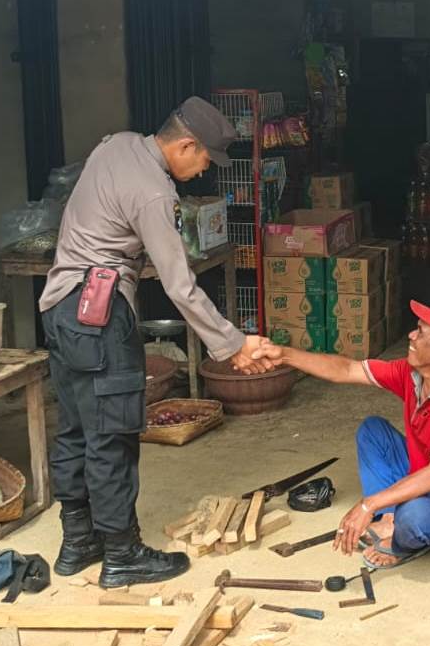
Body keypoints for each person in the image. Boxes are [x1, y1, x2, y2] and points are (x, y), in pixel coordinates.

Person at [39, 98, 272, 589]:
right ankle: (122, 554)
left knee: (76, 429)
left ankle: (77, 542)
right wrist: (232, 343)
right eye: (205, 158)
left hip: (61, 308)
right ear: (185, 144)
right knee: (113, 437)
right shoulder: (153, 192)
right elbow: (179, 285)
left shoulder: (116, 144)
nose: (204, 170)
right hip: (100, 315)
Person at [258, 301, 430, 568]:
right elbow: (347, 369)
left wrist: (368, 505)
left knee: (413, 515)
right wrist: (284, 355)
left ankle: (401, 540)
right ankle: (390, 518)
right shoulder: (412, 374)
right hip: (426, 484)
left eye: (420, 331)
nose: (411, 335)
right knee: (373, 431)